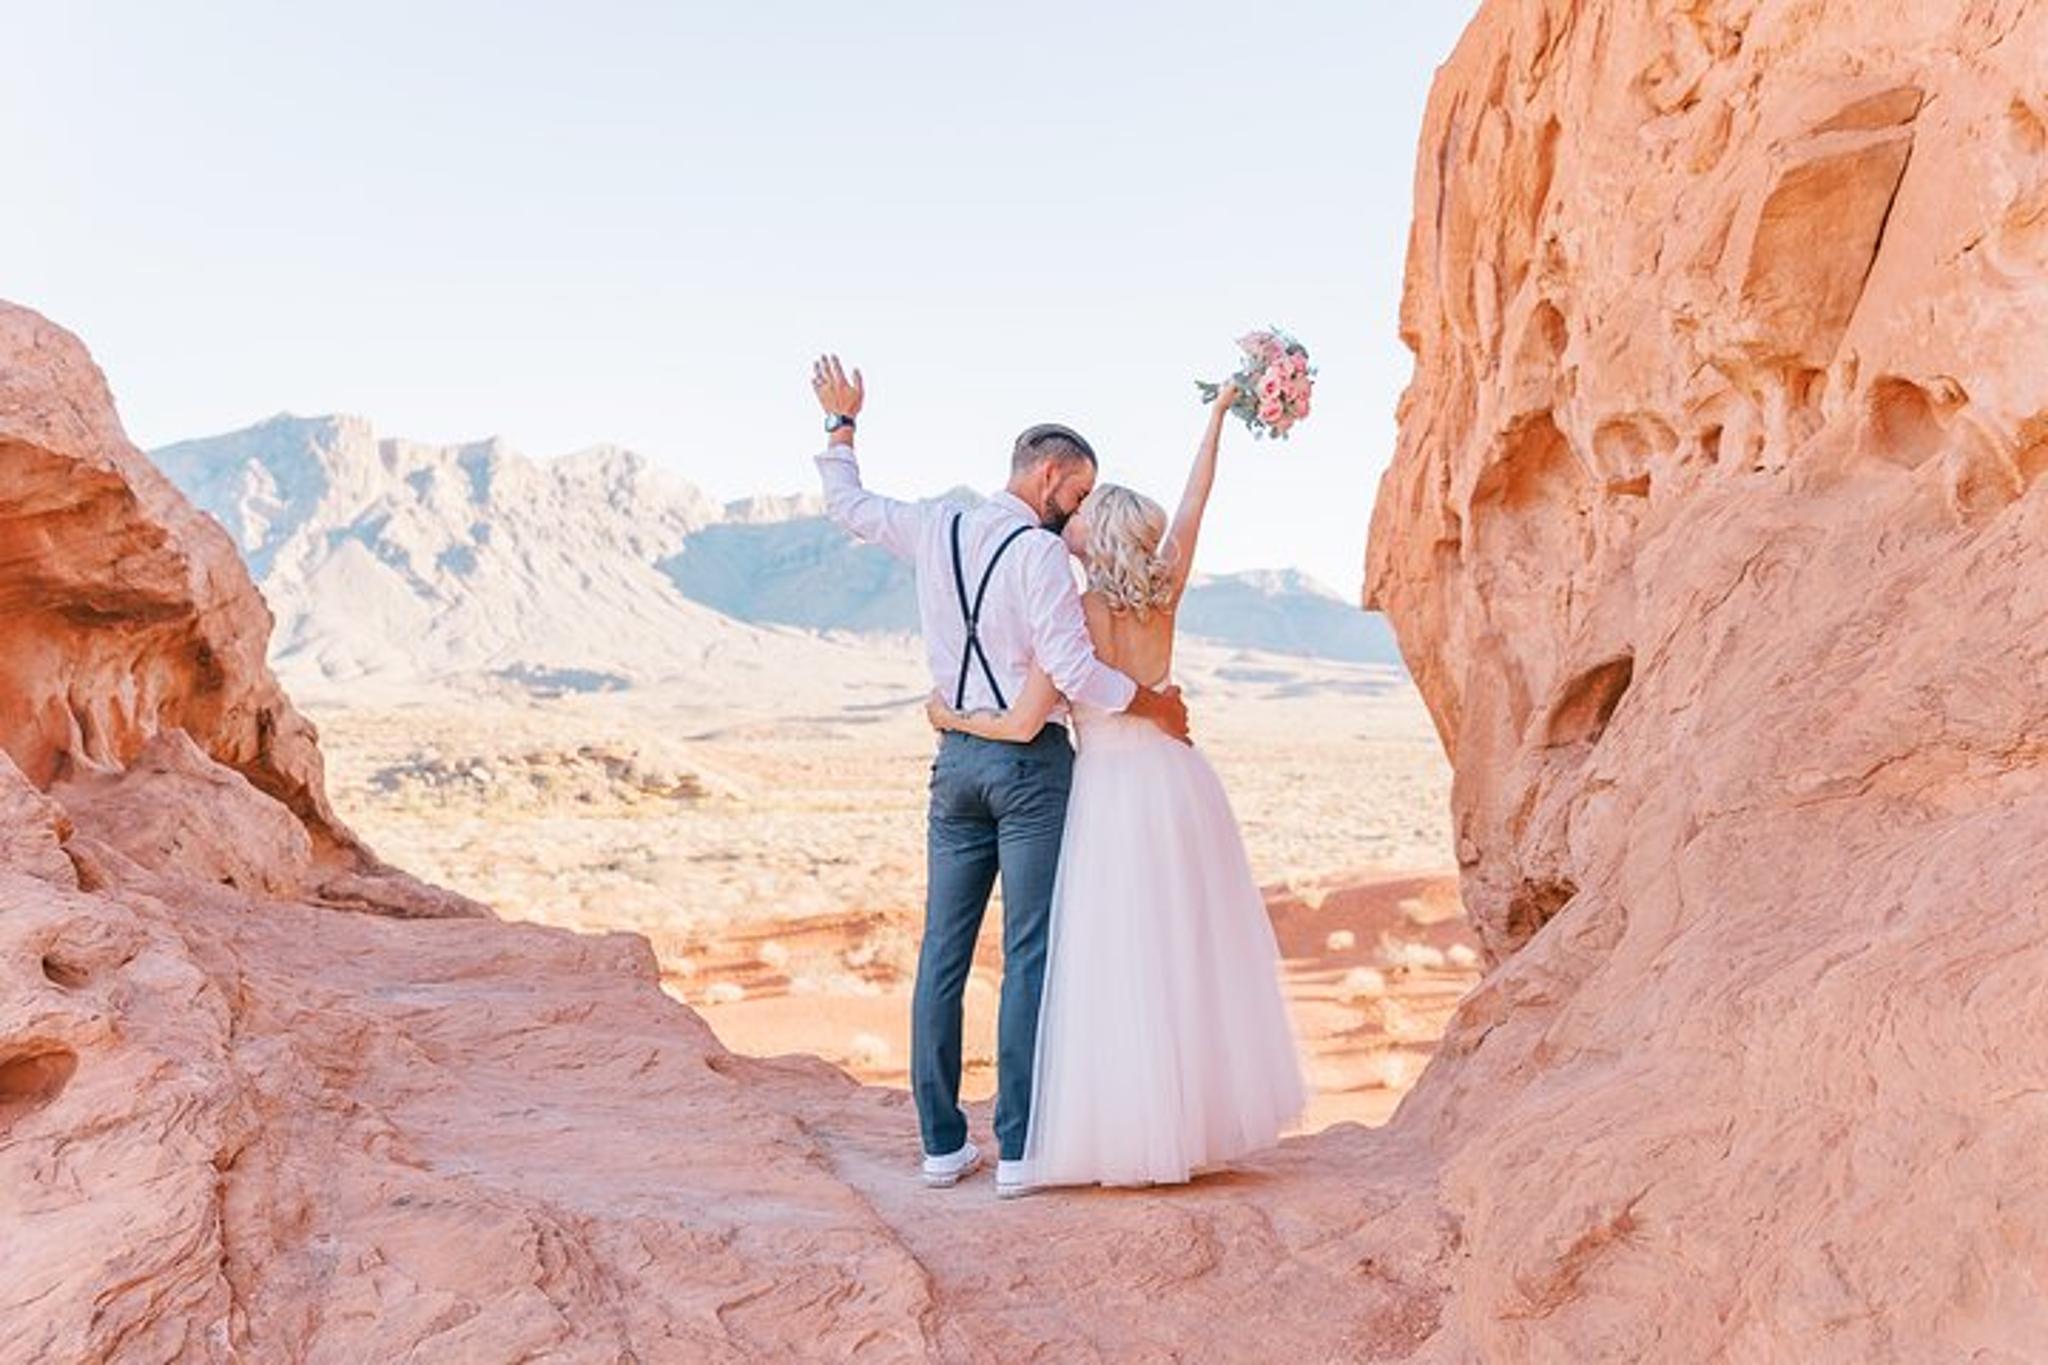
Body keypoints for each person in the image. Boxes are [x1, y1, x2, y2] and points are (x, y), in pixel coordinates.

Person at [807, 354, 1190, 1198]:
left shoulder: (936, 525)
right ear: (1050, 475)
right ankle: (1018, 1152)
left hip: (957, 762)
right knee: (1029, 953)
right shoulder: (1042, 558)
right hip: (1030, 768)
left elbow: (847, 505)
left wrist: (844, 425)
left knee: (941, 951)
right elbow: (1078, 675)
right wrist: (1154, 705)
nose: (1082, 508)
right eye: (1081, 493)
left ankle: (942, 1147)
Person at [928, 381, 1308, 1192]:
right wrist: (1214, 423)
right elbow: (1196, 501)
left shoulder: (1074, 606)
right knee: (1179, 952)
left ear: (1093, 535)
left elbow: (1026, 718)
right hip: (1176, 784)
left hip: (1104, 795)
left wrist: (951, 714)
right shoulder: (1164, 585)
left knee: (1106, 962)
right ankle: (1183, 1127)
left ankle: (1111, 1131)